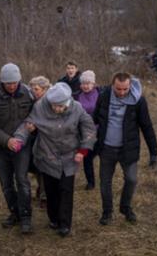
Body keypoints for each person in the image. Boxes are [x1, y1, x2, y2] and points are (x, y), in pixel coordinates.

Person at [13, 83, 96, 238]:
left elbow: (89, 129)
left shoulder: (77, 108)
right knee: (51, 190)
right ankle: (53, 219)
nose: (57, 109)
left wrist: (83, 149)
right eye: (54, 106)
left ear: (67, 103)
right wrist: (19, 138)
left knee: (66, 190)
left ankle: (65, 224)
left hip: (69, 155)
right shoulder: (40, 106)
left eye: (60, 106)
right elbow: (27, 125)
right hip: (47, 154)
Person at [92, 72, 157, 225]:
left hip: (128, 148)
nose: (122, 92)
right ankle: (107, 212)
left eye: (125, 89)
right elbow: (94, 118)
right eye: (118, 89)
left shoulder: (138, 101)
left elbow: (147, 126)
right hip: (107, 148)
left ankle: (125, 207)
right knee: (105, 182)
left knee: (131, 179)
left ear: (130, 86)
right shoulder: (104, 96)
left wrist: (154, 152)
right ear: (112, 85)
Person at [0, 63, 35, 234]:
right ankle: (15, 213)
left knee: (22, 180)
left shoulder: (28, 93)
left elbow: (36, 115)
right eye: (8, 83)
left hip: (22, 147)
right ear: (2, 82)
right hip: (0, 148)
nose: (12, 86)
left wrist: (33, 127)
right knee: (6, 184)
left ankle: (26, 217)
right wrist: (6, 140)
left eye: (15, 82)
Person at [28, 76, 52, 209]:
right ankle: (41, 190)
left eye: (36, 89)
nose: (33, 91)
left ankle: (45, 196)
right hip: (33, 138)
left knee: (44, 168)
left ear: (44, 89)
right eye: (32, 89)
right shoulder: (33, 100)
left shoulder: (50, 102)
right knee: (37, 167)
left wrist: (37, 126)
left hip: (46, 140)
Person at [75, 70, 100, 190]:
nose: (85, 86)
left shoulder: (101, 94)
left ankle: (105, 179)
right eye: (83, 83)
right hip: (85, 133)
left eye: (88, 83)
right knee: (87, 158)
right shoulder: (77, 96)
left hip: (100, 131)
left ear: (93, 84)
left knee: (104, 157)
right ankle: (90, 182)